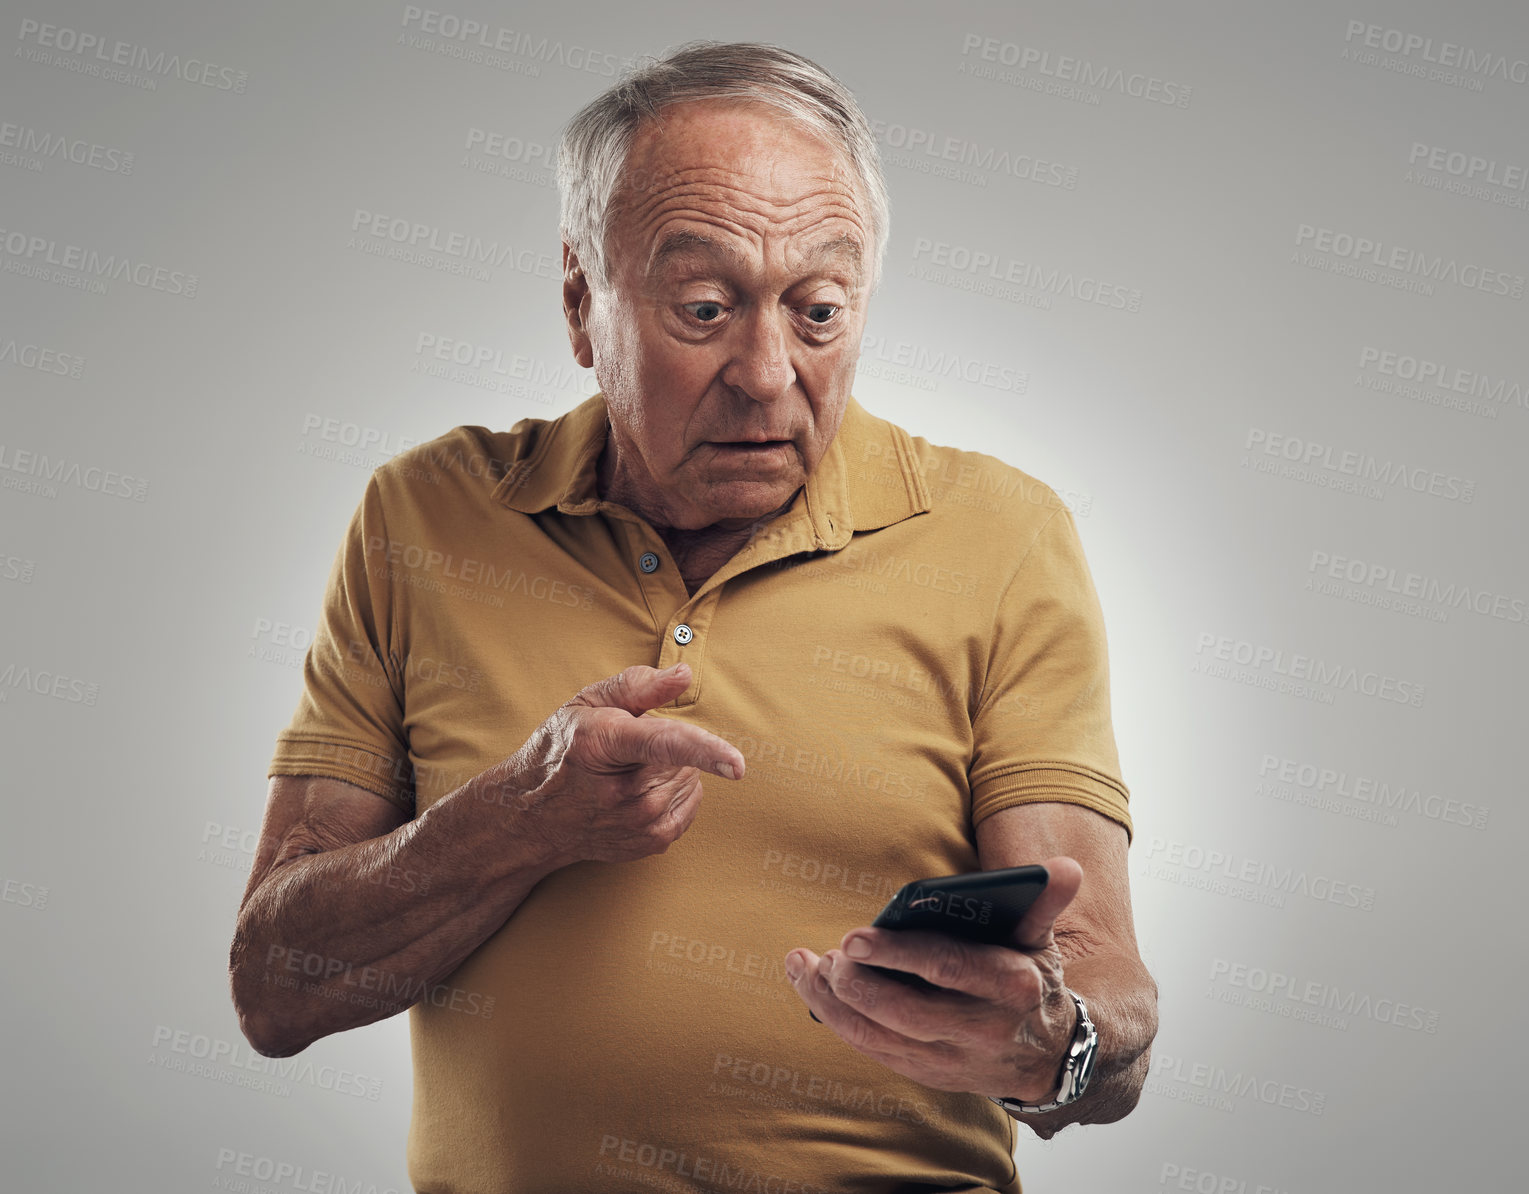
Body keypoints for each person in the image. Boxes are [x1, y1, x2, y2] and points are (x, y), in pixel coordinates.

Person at [230, 40, 1157, 1194]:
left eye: (817, 309)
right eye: (706, 307)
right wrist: (520, 820)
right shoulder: (422, 514)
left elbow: (1112, 1011)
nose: (767, 373)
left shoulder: (1002, 534)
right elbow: (273, 988)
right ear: (581, 304)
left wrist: (1047, 1041)